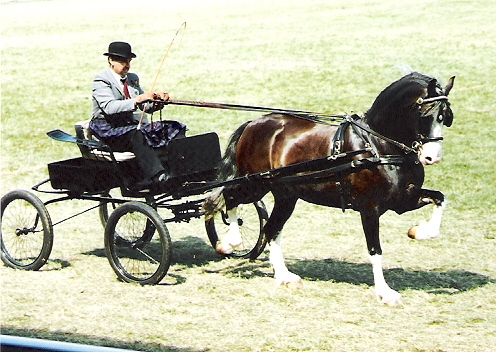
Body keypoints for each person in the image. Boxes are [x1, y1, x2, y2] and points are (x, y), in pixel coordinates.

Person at [90, 41, 185, 188]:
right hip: (109, 128)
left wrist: (157, 102)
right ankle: (158, 176)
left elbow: (144, 106)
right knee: (136, 134)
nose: (127, 65)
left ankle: (180, 168)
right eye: (123, 61)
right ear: (111, 60)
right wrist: (138, 99)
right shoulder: (101, 80)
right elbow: (109, 107)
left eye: (129, 61)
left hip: (129, 126)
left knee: (175, 127)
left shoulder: (132, 79)